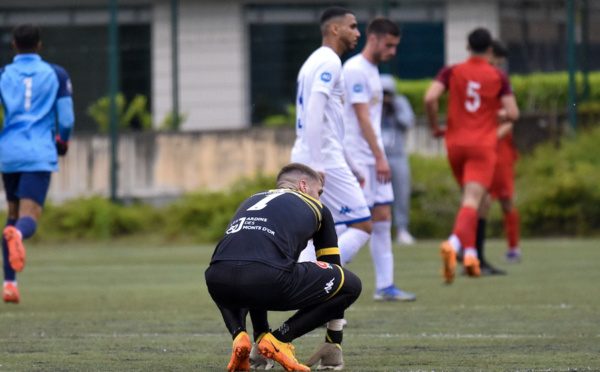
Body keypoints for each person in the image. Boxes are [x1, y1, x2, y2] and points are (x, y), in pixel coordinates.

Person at [205, 163, 362, 372]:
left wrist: (259, 333)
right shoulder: (317, 208)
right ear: (304, 186)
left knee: (252, 268)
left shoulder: (251, 199)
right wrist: (334, 339)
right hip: (267, 280)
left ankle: (240, 336)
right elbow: (336, 278)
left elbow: (252, 260)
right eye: (319, 192)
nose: (319, 197)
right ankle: (279, 339)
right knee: (350, 284)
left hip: (218, 282)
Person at [290, 7, 367, 363]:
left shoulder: (313, 61)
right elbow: (316, 109)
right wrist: (318, 166)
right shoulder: (330, 61)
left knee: (318, 236)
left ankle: (332, 342)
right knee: (364, 224)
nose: (357, 32)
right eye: (352, 27)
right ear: (334, 29)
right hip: (322, 160)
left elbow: (327, 118)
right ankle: (312, 282)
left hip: (318, 156)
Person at [424, 27, 519, 284]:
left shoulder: (451, 71)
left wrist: (435, 126)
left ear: (467, 47)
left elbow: (430, 98)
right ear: (490, 50)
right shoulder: (498, 75)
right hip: (482, 146)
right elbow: (513, 114)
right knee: (473, 201)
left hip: (455, 145)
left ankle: (472, 257)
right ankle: (454, 245)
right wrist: (493, 115)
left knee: (478, 201)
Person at [341, 18, 416, 302]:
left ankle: (385, 286)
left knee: (382, 217)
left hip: (373, 157)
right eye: (389, 45)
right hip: (360, 159)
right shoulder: (354, 69)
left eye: (395, 45)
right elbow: (362, 119)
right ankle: (324, 275)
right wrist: (380, 156)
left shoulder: (373, 71)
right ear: (372, 39)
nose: (393, 51)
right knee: (357, 223)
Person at [0, 24, 74, 303]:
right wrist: (62, 142)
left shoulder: (4, 75)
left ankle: (10, 284)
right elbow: (66, 120)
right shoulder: (56, 74)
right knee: (26, 220)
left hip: (9, 154)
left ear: (14, 45)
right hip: (38, 153)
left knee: (12, 213)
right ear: (39, 45)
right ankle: (17, 233)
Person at [476, 40, 521, 271]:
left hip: (499, 151)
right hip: (478, 149)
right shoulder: (478, 80)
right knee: (476, 199)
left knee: (504, 199)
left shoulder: (500, 81)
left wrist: (491, 138)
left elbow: (511, 118)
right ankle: (471, 250)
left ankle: (513, 247)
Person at [380, 74, 417, 245]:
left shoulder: (400, 103)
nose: (386, 98)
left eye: (388, 94)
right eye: (383, 94)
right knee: (377, 197)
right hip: (379, 158)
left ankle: (402, 229)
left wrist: (394, 111)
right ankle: (377, 230)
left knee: (401, 194)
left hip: (398, 156)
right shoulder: (374, 104)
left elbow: (408, 122)